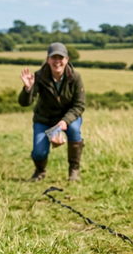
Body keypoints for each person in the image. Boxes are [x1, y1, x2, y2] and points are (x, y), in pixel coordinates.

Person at [19, 42, 86, 182]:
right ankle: (40, 172)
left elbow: (79, 105)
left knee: (74, 129)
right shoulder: (39, 76)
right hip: (44, 119)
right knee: (38, 153)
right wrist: (27, 89)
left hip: (68, 117)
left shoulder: (75, 77)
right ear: (48, 59)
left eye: (60, 58)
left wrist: (64, 121)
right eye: (53, 57)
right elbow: (25, 103)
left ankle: (74, 171)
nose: (57, 61)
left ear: (67, 59)